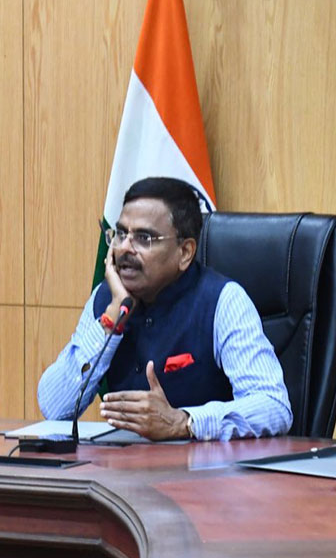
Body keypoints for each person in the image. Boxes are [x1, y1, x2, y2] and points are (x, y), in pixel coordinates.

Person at [37, 176, 292, 441]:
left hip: (206, 474)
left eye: (144, 238)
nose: (124, 247)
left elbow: (273, 406)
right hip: (121, 474)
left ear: (184, 252)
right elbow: (55, 408)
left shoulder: (223, 301)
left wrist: (184, 422)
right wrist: (113, 316)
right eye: (121, 233)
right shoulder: (108, 297)